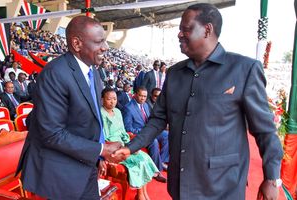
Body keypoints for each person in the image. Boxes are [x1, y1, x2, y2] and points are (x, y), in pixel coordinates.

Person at [113, 3, 283, 200]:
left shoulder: (244, 69)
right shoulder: (175, 73)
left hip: (222, 185)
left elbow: (264, 130)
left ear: (207, 30)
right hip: (181, 183)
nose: (179, 34)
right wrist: (131, 147)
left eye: (185, 28)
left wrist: (272, 178)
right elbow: (157, 120)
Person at [16, 16, 122, 200]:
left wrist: (98, 156)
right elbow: (52, 134)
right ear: (77, 44)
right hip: (61, 172)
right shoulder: (54, 74)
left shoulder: (93, 72)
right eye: (99, 42)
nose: (105, 47)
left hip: (86, 163)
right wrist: (100, 149)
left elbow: (93, 117)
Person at [101, 88, 158, 200]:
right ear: (102, 99)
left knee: (144, 157)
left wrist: (130, 144)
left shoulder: (117, 111)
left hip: (123, 144)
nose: (112, 102)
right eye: (109, 99)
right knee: (138, 162)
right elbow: (105, 137)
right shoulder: (101, 113)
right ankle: (141, 196)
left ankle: (143, 194)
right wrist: (123, 146)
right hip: (112, 148)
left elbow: (123, 131)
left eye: (115, 99)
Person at [123, 86, 169, 183]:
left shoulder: (146, 105)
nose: (143, 98)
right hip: (141, 134)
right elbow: (128, 128)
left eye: (145, 96)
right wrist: (144, 132)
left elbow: (150, 120)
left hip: (150, 130)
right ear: (134, 94)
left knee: (166, 135)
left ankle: (162, 161)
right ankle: (156, 171)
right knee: (153, 141)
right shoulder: (128, 108)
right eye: (140, 96)